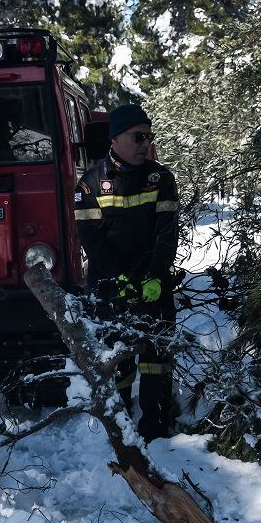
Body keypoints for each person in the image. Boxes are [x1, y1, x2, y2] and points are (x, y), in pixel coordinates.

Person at [74, 103, 179, 442]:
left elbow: (167, 233)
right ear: (115, 138)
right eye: (138, 137)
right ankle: (118, 434)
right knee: (117, 361)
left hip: (153, 283)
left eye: (149, 137)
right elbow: (92, 241)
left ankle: (157, 434)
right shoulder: (90, 184)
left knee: (157, 360)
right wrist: (119, 278)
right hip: (110, 285)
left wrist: (153, 276)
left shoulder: (160, 178)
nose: (145, 144)